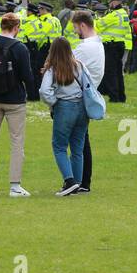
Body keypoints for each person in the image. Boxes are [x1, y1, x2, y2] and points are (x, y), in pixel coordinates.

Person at [0, 12, 33, 197]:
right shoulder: (20, 48)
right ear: (16, 28)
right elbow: (27, 76)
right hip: (15, 100)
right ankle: (15, 186)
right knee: (17, 142)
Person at [39, 37, 89, 196]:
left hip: (64, 107)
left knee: (59, 146)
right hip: (82, 107)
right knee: (77, 148)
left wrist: (54, 102)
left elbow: (44, 91)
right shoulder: (79, 65)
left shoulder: (52, 69)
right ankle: (78, 183)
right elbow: (89, 84)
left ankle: (69, 181)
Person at [70, 10, 105, 193]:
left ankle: (79, 181)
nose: (76, 32)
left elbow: (66, 67)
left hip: (78, 97)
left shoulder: (85, 47)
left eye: (76, 28)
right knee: (82, 140)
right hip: (88, 93)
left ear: (82, 25)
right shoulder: (97, 44)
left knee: (78, 141)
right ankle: (83, 181)